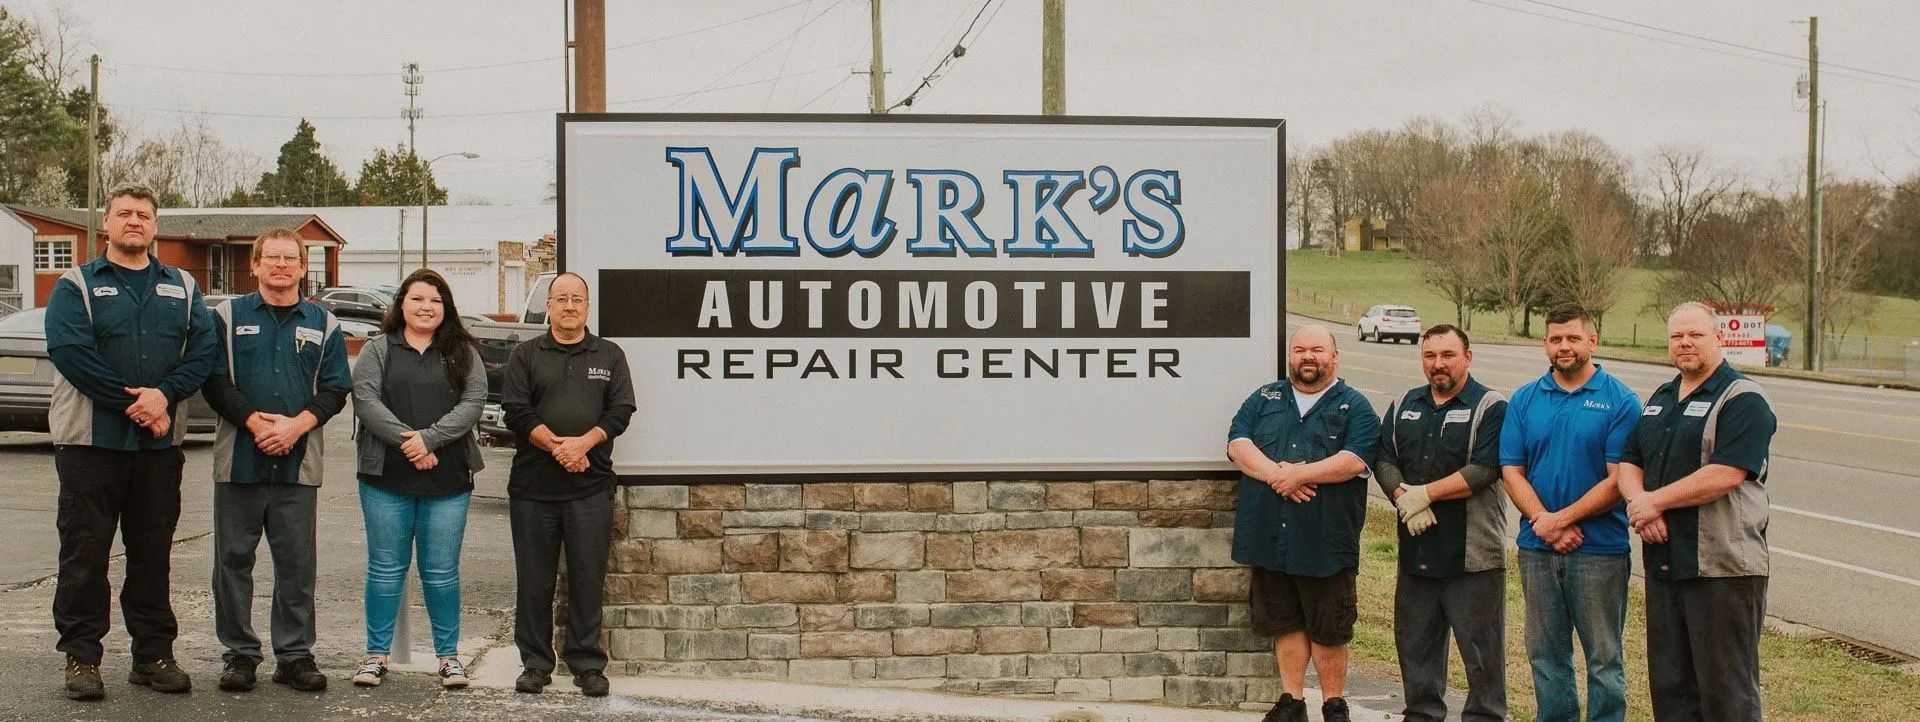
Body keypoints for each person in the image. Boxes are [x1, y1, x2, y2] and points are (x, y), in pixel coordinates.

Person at [44, 185, 216, 700]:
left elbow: (203, 350)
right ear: (107, 223)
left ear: (155, 225)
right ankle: (81, 658)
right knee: (84, 553)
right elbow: (71, 353)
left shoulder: (182, 286)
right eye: (124, 214)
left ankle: (153, 655)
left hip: (158, 450)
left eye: (144, 215)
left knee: (152, 553)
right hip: (89, 446)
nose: (134, 222)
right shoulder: (75, 285)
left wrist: (164, 395)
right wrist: (136, 405)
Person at [198, 229, 351, 692]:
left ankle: (294, 655)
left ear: (304, 268)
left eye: (291, 258)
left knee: (296, 565)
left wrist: (294, 426)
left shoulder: (324, 323)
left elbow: (336, 389)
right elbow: (213, 378)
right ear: (256, 265)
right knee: (232, 561)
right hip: (238, 462)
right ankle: (240, 655)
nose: (281, 265)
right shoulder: (225, 316)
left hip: (298, 464)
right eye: (272, 258)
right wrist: (255, 423)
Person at [1620, 303, 1777, 721]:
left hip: (1723, 570)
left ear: (1719, 339)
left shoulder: (1743, 398)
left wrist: (1655, 501)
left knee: (1727, 695)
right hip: (1667, 564)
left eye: (1695, 335)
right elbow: (1630, 461)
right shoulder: (1661, 399)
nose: (1684, 343)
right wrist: (1642, 506)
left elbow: (1726, 473)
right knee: (1671, 691)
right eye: (1676, 336)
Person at [1227, 325, 1380, 722]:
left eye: (1316, 350)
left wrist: (1301, 474)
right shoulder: (1265, 398)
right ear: (1290, 356)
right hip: (1271, 537)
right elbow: (1238, 445)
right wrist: (1281, 476)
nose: (1307, 357)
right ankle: (1292, 702)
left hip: (1325, 540)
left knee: (1329, 627)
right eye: (1299, 350)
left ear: (1334, 357)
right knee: (1285, 621)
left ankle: (1333, 704)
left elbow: (1354, 460)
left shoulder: (1355, 406)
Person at [1499, 303, 1642, 722]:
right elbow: (1511, 470)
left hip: (1600, 551)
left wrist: (1560, 520)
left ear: (1592, 341)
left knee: (1604, 659)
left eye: (1574, 338)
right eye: (1556, 338)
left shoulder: (1621, 401)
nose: (1564, 346)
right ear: (1545, 343)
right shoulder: (1524, 399)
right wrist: (1545, 523)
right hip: (1537, 550)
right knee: (1545, 655)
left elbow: (1620, 478)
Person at [349, 269, 487, 689]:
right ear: (401, 305)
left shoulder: (462, 351)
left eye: (435, 300)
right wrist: (407, 443)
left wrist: (429, 440)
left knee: (441, 572)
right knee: (386, 569)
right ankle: (376, 656)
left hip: (447, 478)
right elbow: (365, 398)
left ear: (446, 308)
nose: (427, 307)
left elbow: (474, 400)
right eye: (417, 299)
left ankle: (449, 658)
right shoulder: (378, 349)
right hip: (384, 477)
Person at [500, 272, 635, 697]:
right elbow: (516, 412)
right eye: (562, 299)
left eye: (578, 299)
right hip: (533, 491)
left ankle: (586, 663)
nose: (570, 306)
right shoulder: (525, 354)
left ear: (587, 307)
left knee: (587, 578)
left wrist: (584, 443)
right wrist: (558, 447)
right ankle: (536, 664)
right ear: (550, 306)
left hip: (591, 488)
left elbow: (621, 411)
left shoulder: (610, 355)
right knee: (534, 580)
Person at [1373, 325, 1509, 722]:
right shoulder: (1403, 404)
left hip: (1473, 555)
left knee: (1482, 654)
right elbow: (1384, 459)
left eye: (1448, 355)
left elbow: (1484, 468)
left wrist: (1426, 494)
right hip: (1417, 551)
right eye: (1430, 356)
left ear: (1467, 357)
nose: (1438, 365)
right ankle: (1422, 715)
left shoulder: (1491, 406)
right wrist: (1404, 499)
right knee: (1416, 649)